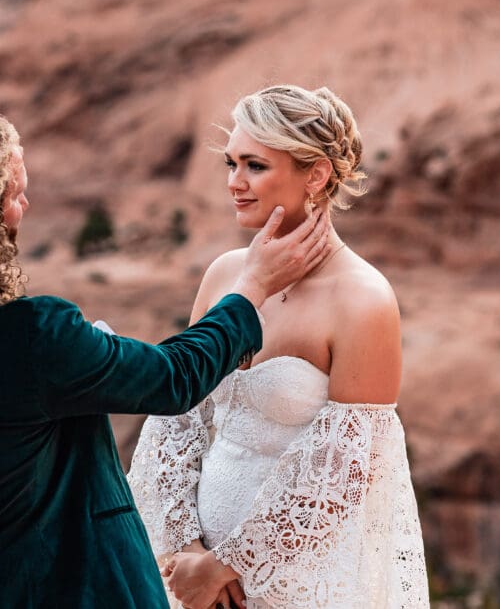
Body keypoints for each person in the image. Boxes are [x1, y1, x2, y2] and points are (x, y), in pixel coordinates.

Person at [0, 95, 333, 608]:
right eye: (16, 194)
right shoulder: (34, 335)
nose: (26, 206)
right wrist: (249, 292)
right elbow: (175, 378)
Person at [127, 85, 429, 608]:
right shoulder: (225, 275)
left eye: (255, 166)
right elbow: (179, 417)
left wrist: (229, 568)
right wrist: (185, 552)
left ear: (315, 174)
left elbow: (346, 468)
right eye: (231, 163)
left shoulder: (363, 298)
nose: (234, 183)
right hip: (190, 579)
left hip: (299, 581)